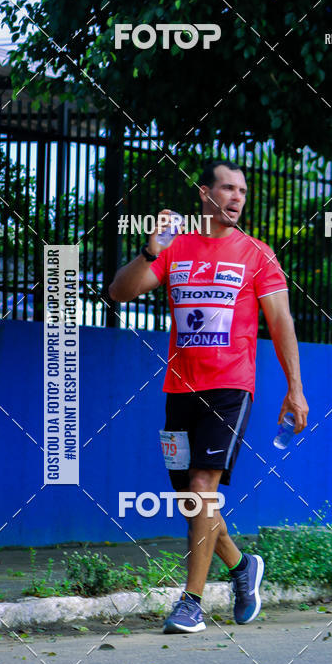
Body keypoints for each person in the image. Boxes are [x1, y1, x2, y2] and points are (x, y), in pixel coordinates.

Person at [109, 160, 309, 633]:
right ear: (205, 193)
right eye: (228, 188)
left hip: (231, 387)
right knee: (191, 500)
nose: (238, 197)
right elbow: (119, 292)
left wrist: (295, 389)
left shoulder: (257, 254)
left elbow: (281, 324)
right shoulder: (175, 247)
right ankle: (243, 568)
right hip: (179, 388)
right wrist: (149, 251)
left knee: (203, 488)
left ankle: (192, 602)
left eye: (243, 190)